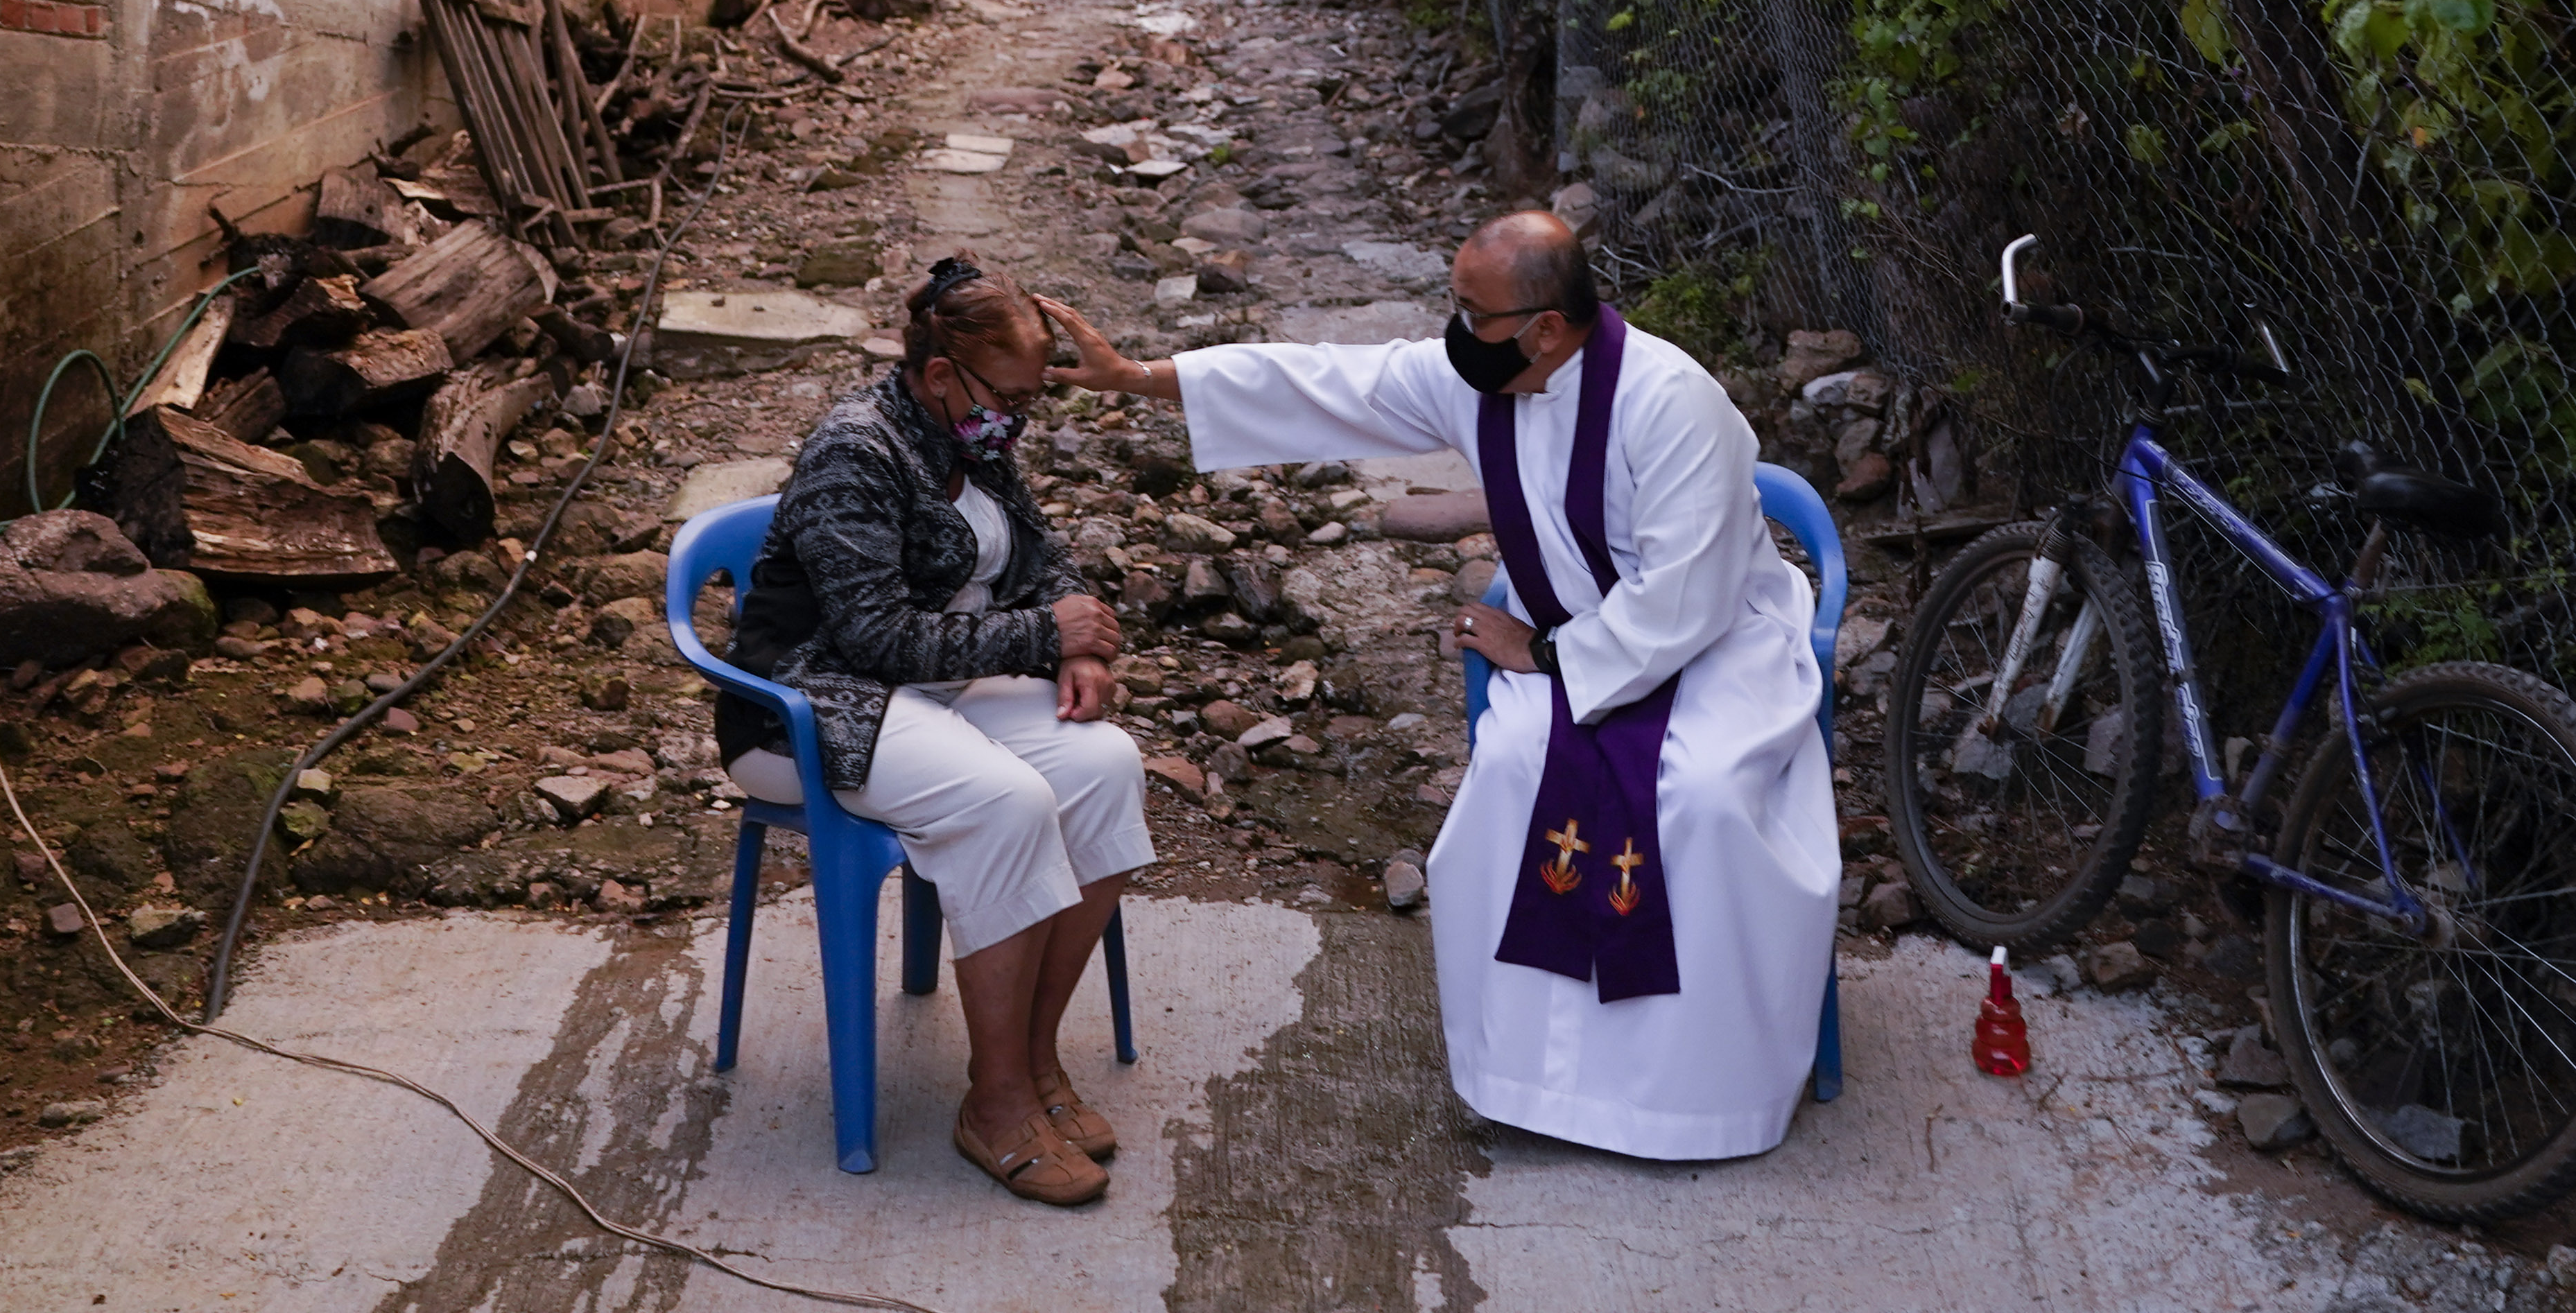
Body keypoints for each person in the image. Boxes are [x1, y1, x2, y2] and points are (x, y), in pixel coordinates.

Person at [1040, 210, 1839, 1160]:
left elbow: (1688, 595)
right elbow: (1328, 380)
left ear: (1545, 327)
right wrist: (1140, 379)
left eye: (1473, 310)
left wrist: (1546, 658)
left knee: (1702, 799)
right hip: (1575, 643)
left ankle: (1700, 1094)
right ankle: (1533, 1075)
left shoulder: (1674, 403)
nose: (1454, 330)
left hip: (1710, 651)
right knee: (1510, 771)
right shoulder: (1484, 376)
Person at [721, 257, 1150, 1206]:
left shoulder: (972, 431)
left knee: (1106, 764)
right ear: (942, 370)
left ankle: (1033, 1063)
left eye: (1031, 397)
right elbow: (871, 635)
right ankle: (993, 1104)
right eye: (1012, 394)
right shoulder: (856, 449)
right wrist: (1045, 634)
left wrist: (1077, 637)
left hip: (933, 692)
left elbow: (1043, 552)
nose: (1021, 417)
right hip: (811, 703)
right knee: (1008, 800)